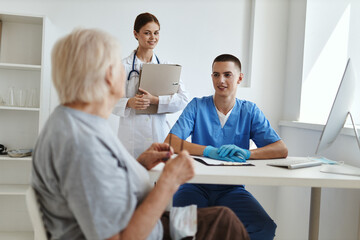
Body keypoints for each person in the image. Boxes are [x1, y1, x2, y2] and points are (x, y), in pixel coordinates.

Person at [31, 29, 250, 240]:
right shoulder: (80, 143)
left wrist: (140, 163)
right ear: (108, 75)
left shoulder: (77, 122)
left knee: (222, 218)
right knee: (224, 223)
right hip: (145, 231)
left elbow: (102, 182)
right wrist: (169, 181)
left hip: (142, 221)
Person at [165, 54, 288, 240]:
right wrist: (208, 151)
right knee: (181, 229)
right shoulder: (197, 106)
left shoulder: (249, 111)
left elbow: (280, 149)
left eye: (227, 75)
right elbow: (170, 142)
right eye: (215, 75)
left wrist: (248, 154)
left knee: (264, 228)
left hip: (231, 188)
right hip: (194, 185)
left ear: (239, 78)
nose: (220, 80)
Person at [112, 12, 189, 159]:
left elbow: (183, 99)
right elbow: (107, 100)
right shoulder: (122, 66)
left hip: (158, 136)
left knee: (157, 179)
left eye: (156, 33)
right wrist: (128, 102)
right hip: (130, 140)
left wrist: (156, 100)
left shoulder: (166, 67)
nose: (153, 37)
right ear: (136, 34)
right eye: (147, 33)